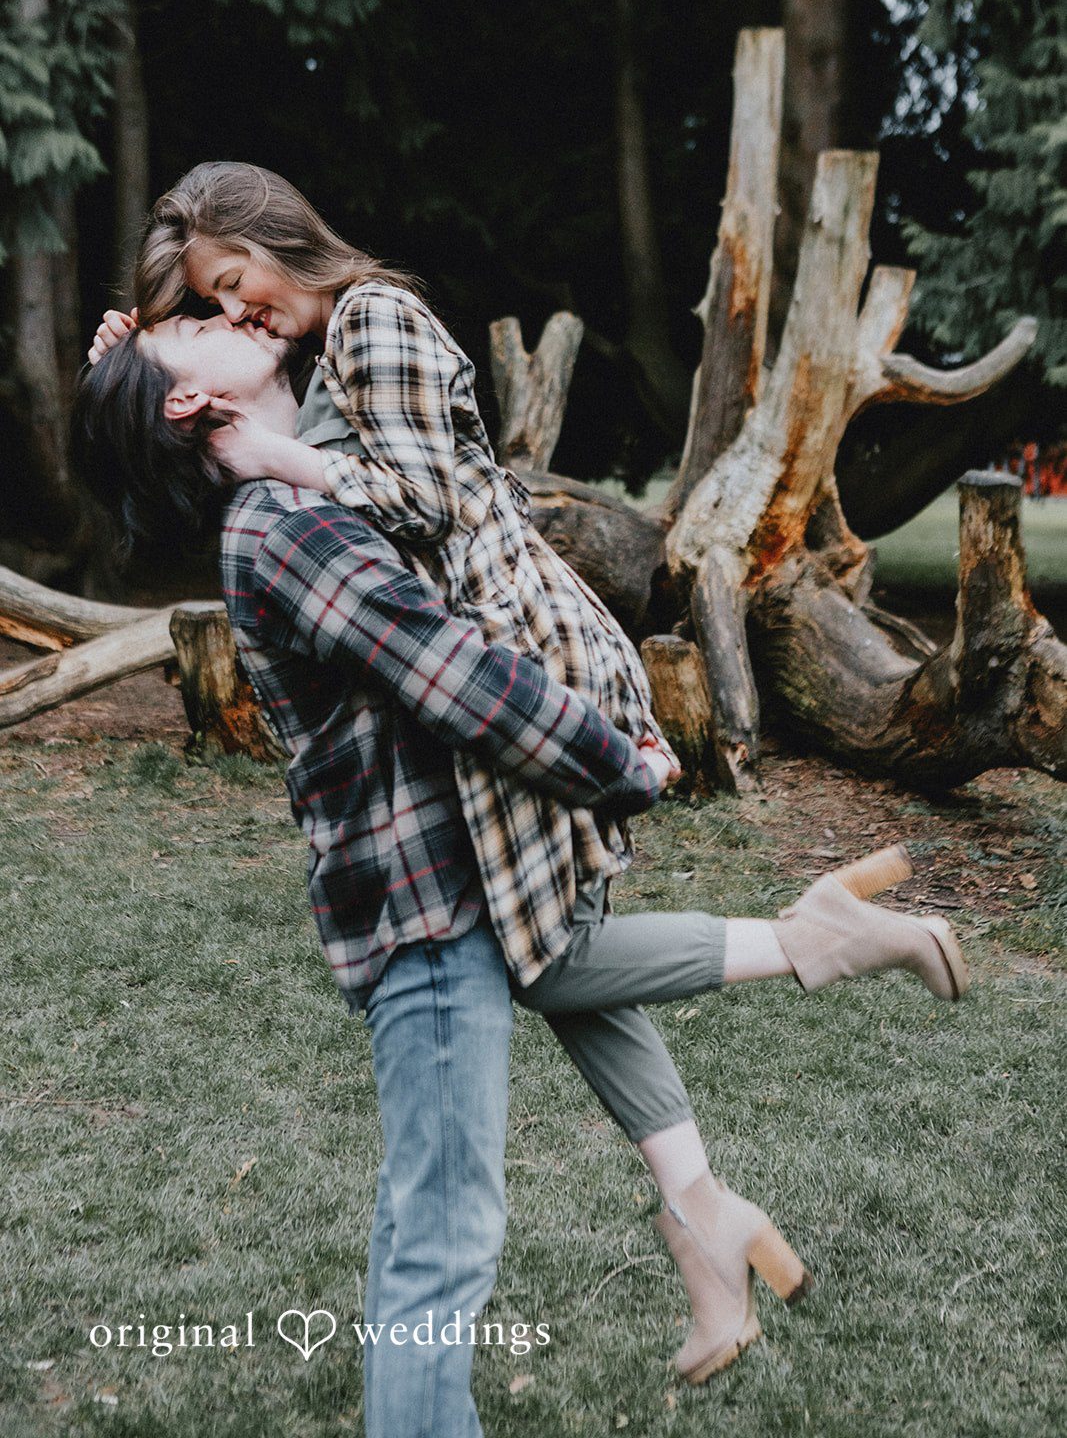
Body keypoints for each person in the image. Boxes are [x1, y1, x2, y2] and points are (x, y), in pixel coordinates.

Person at [75, 314, 971, 1408]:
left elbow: (302, 392)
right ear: (185, 403)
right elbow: (449, 671)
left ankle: (715, 1177)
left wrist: (133, 345)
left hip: (461, 869)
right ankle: (794, 977)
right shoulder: (285, 528)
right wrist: (619, 760)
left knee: (530, 1029)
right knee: (443, 1234)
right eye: (197, 317)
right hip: (428, 898)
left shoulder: (301, 479)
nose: (233, 309)